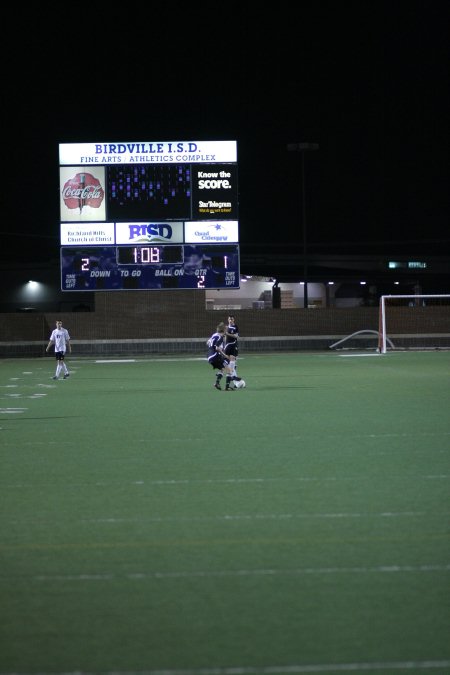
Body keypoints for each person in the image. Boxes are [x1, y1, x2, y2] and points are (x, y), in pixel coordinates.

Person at [206, 322, 234, 390]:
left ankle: (217, 383)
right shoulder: (220, 337)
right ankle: (227, 387)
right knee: (229, 370)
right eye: (226, 329)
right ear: (224, 330)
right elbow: (217, 348)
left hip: (209, 357)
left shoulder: (214, 335)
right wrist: (225, 355)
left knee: (222, 369)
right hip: (215, 356)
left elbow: (208, 342)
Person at [224, 314, 243, 386]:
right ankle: (234, 379)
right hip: (227, 346)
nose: (230, 320)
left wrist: (228, 334)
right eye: (229, 319)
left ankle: (234, 380)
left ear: (233, 320)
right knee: (228, 363)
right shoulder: (226, 327)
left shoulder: (235, 327)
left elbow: (236, 336)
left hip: (233, 345)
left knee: (233, 362)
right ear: (228, 320)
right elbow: (225, 337)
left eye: (231, 319)